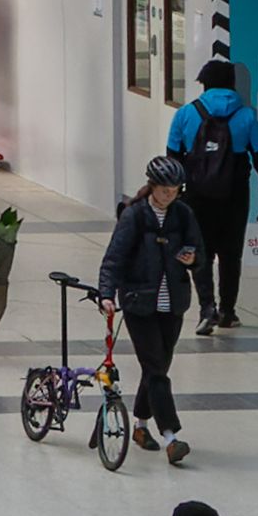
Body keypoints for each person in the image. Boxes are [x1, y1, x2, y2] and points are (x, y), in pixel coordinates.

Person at [99, 156, 201, 465]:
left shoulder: (183, 215)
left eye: (175, 190)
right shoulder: (134, 216)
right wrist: (106, 294)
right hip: (139, 303)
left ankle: (140, 426)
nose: (170, 195)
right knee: (156, 366)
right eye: (164, 189)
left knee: (157, 367)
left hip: (173, 305)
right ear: (152, 186)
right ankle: (171, 435)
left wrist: (191, 259)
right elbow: (114, 257)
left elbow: (200, 252)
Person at [165, 56, 258, 331]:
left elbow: (172, 158)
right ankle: (227, 312)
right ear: (232, 84)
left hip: (197, 194)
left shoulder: (185, 114)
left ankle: (206, 308)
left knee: (200, 251)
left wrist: (174, 194)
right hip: (234, 195)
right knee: (230, 254)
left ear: (205, 85)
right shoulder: (246, 116)